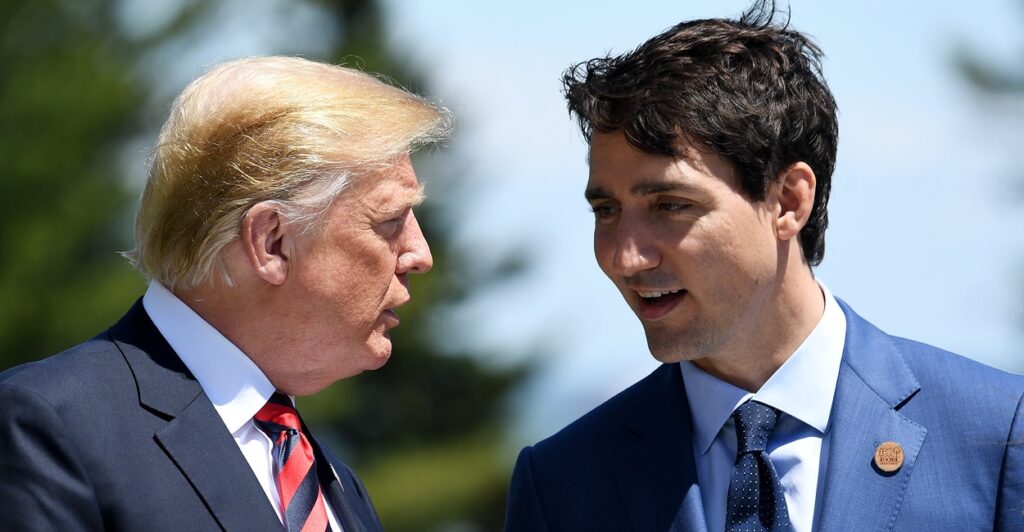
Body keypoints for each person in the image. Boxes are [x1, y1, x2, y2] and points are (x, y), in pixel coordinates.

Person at [504, 3, 1024, 531]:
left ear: (789, 202)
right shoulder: (560, 483)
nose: (625, 256)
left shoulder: (999, 434)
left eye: (670, 205)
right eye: (606, 210)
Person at [0, 56, 450, 531]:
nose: (420, 254)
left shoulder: (333, 481)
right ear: (271, 242)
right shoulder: (48, 427)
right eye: (389, 221)